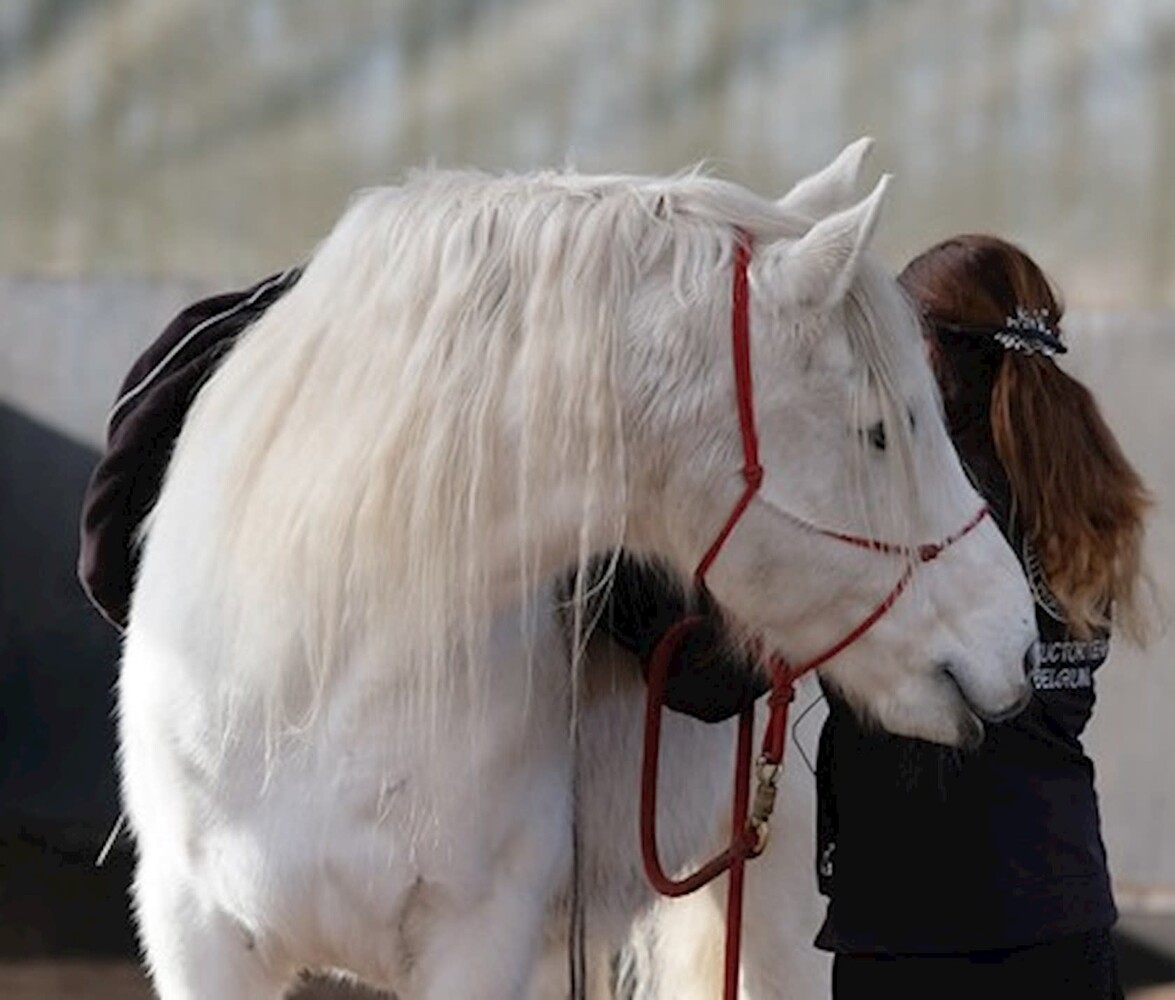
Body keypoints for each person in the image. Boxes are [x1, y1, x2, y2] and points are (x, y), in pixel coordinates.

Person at [813, 234, 1153, 1000]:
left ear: (935, 354)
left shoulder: (925, 504)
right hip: (1065, 908)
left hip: (917, 926)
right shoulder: (1084, 487)